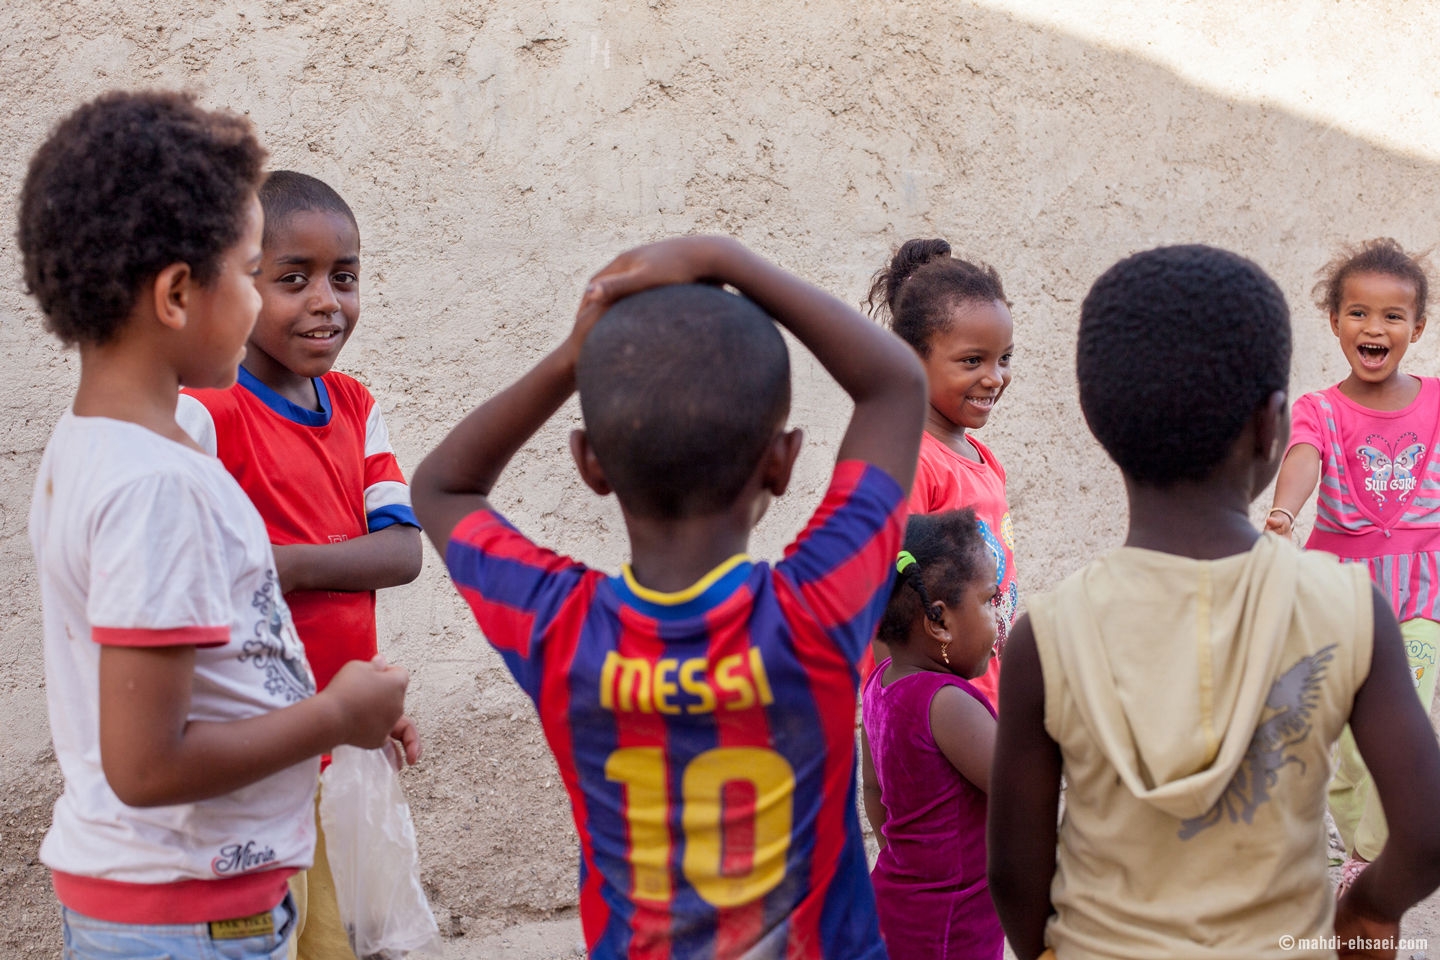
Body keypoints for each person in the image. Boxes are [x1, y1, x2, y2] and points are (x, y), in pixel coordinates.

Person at [411, 236, 927, 958]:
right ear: (782, 464)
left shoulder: (561, 630)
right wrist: (724, 258)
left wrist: (573, 353)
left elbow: (442, 487)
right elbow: (897, 386)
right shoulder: (819, 611)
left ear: (590, 465)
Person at [20, 91, 410, 960]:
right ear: (175, 294)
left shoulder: (101, 448)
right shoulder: (156, 487)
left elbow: (207, 670)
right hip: (185, 914)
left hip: (177, 898)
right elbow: (148, 765)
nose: (270, 295)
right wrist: (332, 716)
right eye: (249, 270)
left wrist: (335, 710)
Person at [987, 244, 1440, 960]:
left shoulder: (1044, 634)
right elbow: (1426, 831)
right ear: (1273, 425)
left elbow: (1013, 872)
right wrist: (1362, 907)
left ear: (1101, 424)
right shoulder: (1348, 608)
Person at [175, 170, 424, 960]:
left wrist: (279, 563)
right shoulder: (209, 411)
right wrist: (318, 563)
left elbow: (404, 551)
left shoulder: (354, 406)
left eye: (344, 277)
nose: (327, 300)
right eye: (294, 279)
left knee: (340, 936)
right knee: (268, 935)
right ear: (238, 288)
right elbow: (198, 573)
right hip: (252, 744)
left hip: (345, 738)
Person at [1264, 238, 1439, 890]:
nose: (1375, 327)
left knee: (1402, 726)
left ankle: (1368, 856)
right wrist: (1283, 514)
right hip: (1337, 596)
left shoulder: (1438, 401)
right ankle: (1349, 825)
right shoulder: (1321, 410)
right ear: (1335, 321)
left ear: (1416, 328)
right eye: (1359, 313)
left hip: (1422, 601)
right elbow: (1302, 457)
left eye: (1393, 316)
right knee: (1343, 743)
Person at [861, 239, 1016, 709]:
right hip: (932, 712)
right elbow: (886, 599)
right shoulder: (914, 461)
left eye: (1004, 358)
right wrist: (897, 717)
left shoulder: (982, 457)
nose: (995, 377)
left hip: (982, 696)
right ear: (912, 358)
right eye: (972, 361)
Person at [860, 509, 1002, 960]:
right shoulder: (946, 703)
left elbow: (872, 791)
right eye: (989, 601)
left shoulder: (880, 684)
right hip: (950, 928)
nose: (997, 617)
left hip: (897, 909)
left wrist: (913, 868)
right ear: (938, 621)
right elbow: (1022, 785)